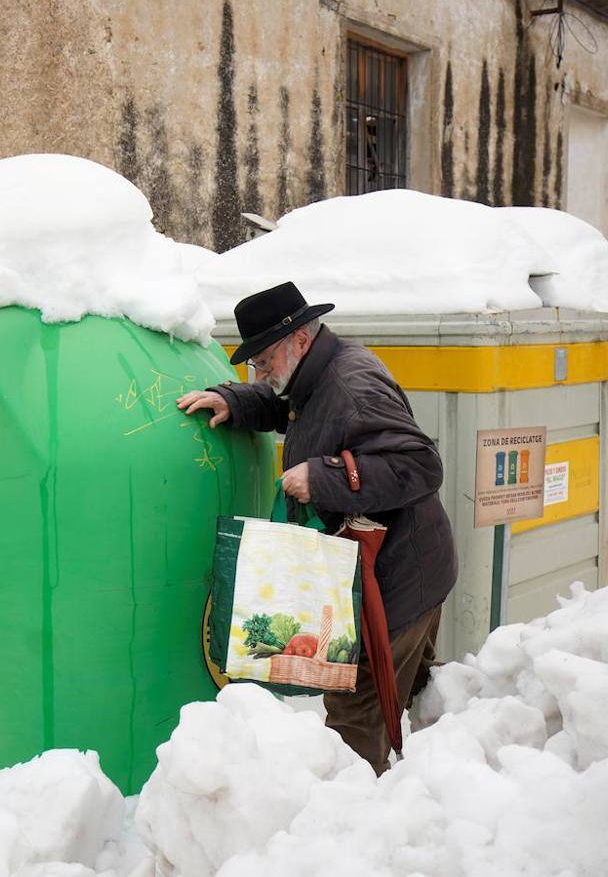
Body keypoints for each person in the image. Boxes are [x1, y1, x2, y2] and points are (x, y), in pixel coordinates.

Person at [177, 281, 457, 774]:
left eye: (262, 361)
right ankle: (426, 783)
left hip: (396, 584)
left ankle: (358, 821)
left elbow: (421, 466)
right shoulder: (318, 373)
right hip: (401, 569)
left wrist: (325, 477)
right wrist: (236, 401)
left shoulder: (352, 388)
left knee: (354, 715)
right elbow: (288, 404)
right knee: (409, 699)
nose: (259, 372)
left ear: (299, 341)